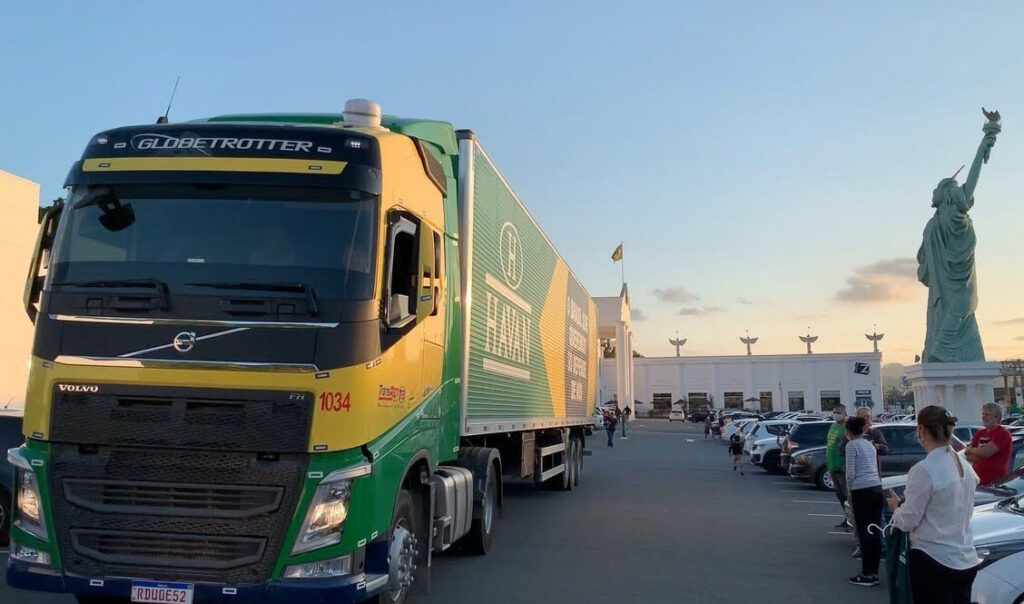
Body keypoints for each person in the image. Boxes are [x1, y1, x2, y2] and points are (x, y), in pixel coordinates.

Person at [887, 405, 980, 604]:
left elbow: (909, 521)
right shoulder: (965, 465)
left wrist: (896, 508)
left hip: (933, 559)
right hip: (965, 557)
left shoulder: (924, 469)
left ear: (921, 430)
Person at [844, 416, 883, 586]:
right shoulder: (869, 445)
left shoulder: (851, 446)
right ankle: (874, 571)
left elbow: (850, 473)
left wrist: (850, 492)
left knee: (864, 531)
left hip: (861, 490)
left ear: (848, 431)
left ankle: (867, 573)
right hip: (876, 488)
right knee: (874, 530)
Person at [965, 402, 1012, 485]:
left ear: (996, 417)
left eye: (987, 414)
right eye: (983, 414)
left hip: (994, 484)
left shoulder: (1003, 433)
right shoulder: (980, 433)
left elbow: (986, 452)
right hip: (977, 482)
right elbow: (967, 456)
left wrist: (970, 450)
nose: (983, 417)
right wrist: (981, 455)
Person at [826, 403, 852, 531]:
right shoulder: (833, 425)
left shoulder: (846, 427)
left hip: (842, 467)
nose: (836, 415)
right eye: (834, 412)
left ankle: (852, 521)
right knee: (841, 496)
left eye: (839, 413)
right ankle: (847, 519)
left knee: (848, 497)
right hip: (832, 466)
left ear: (845, 413)